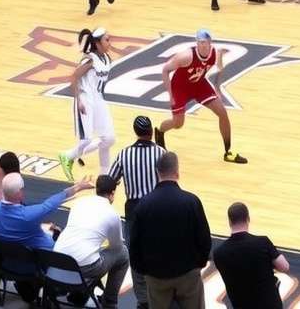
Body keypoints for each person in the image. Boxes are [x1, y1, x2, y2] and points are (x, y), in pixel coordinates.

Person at [0, 172, 93, 302]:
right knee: (63, 237)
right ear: (20, 192)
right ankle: (61, 289)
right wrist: (78, 187)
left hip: (8, 262)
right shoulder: (28, 216)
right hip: (37, 262)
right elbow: (51, 203)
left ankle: (30, 286)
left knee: (49, 233)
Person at [129, 152, 210, 309]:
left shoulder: (143, 204)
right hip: (188, 274)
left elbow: (134, 245)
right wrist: (198, 265)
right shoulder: (191, 201)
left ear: (157, 172)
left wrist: (144, 271)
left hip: (156, 277)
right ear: (177, 172)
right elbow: (205, 239)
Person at [155, 29, 248, 164]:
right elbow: (165, 70)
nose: (201, 45)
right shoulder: (185, 56)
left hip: (199, 84)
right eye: (199, 42)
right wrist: (170, 94)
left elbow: (220, 69)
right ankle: (160, 131)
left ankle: (228, 152)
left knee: (222, 113)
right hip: (180, 88)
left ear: (210, 42)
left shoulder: (215, 53)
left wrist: (217, 88)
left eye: (204, 42)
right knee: (178, 123)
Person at [108, 116, 166, 309]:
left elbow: (110, 179)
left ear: (135, 132)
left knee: (136, 253)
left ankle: (143, 299)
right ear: (150, 132)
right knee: (158, 248)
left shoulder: (124, 154)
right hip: (157, 207)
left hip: (134, 208)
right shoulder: (161, 152)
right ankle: (161, 293)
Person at [53, 175, 129, 309]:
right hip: (85, 267)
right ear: (112, 194)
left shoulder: (79, 203)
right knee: (123, 254)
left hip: (58, 261)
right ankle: (110, 302)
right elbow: (116, 246)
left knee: (91, 250)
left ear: (97, 190)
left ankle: (79, 295)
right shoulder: (112, 213)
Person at [58, 28, 116, 179]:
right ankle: (68, 155)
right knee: (87, 139)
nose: (110, 42)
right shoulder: (89, 59)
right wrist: (78, 101)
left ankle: (104, 175)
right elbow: (74, 77)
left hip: (98, 98)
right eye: (107, 40)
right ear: (97, 43)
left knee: (109, 138)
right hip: (85, 99)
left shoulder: (106, 58)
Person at [213, 202, 289, 309]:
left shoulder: (219, 253)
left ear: (230, 222)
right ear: (248, 219)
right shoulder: (262, 243)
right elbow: (285, 267)